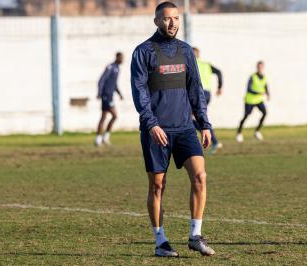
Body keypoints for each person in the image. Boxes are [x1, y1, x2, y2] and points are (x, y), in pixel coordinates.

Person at [130, 1, 215, 257]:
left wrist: (204, 123)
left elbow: (195, 89)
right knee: (158, 186)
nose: (172, 23)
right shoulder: (143, 52)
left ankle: (195, 235)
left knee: (200, 177)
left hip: (185, 128)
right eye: (167, 18)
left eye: (176, 18)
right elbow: (140, 92)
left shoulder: (186, 51)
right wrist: (151, 123)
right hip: (157, 131)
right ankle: (160, 241)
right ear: (156, 21)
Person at [192, 47, 223, 154]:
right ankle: (210, 139)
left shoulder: (191, 63)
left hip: (198, 94)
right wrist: (219, 87)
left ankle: (213, 140)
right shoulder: (206, 64)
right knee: (194, 118)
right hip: (207, 94)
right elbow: (219, 72)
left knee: (194, 117)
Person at [236, 61, 270, 143]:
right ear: (257, 67)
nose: (260, 68)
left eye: (261, 67)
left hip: (259, 100)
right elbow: (249, 89)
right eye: (259, 67)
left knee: (265, 113)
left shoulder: (264, 77)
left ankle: (257, 131)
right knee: (246, 116)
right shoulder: (252, 77)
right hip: (250, 100)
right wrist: (259, 93)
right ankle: (239, 133)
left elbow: (265, 86)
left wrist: (268, 94)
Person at [95, 52, 124, 146]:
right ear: (117, 57)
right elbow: (101, 80)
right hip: (106, 95)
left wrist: (119, 93)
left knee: (104, 116)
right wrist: (99, 93)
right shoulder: (110, 67)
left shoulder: (117, 68)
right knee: (114, 115)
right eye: (121, 58)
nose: (122, 60)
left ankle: (100, 139)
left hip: (110, 96)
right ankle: (102, 138)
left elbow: (114, 84)